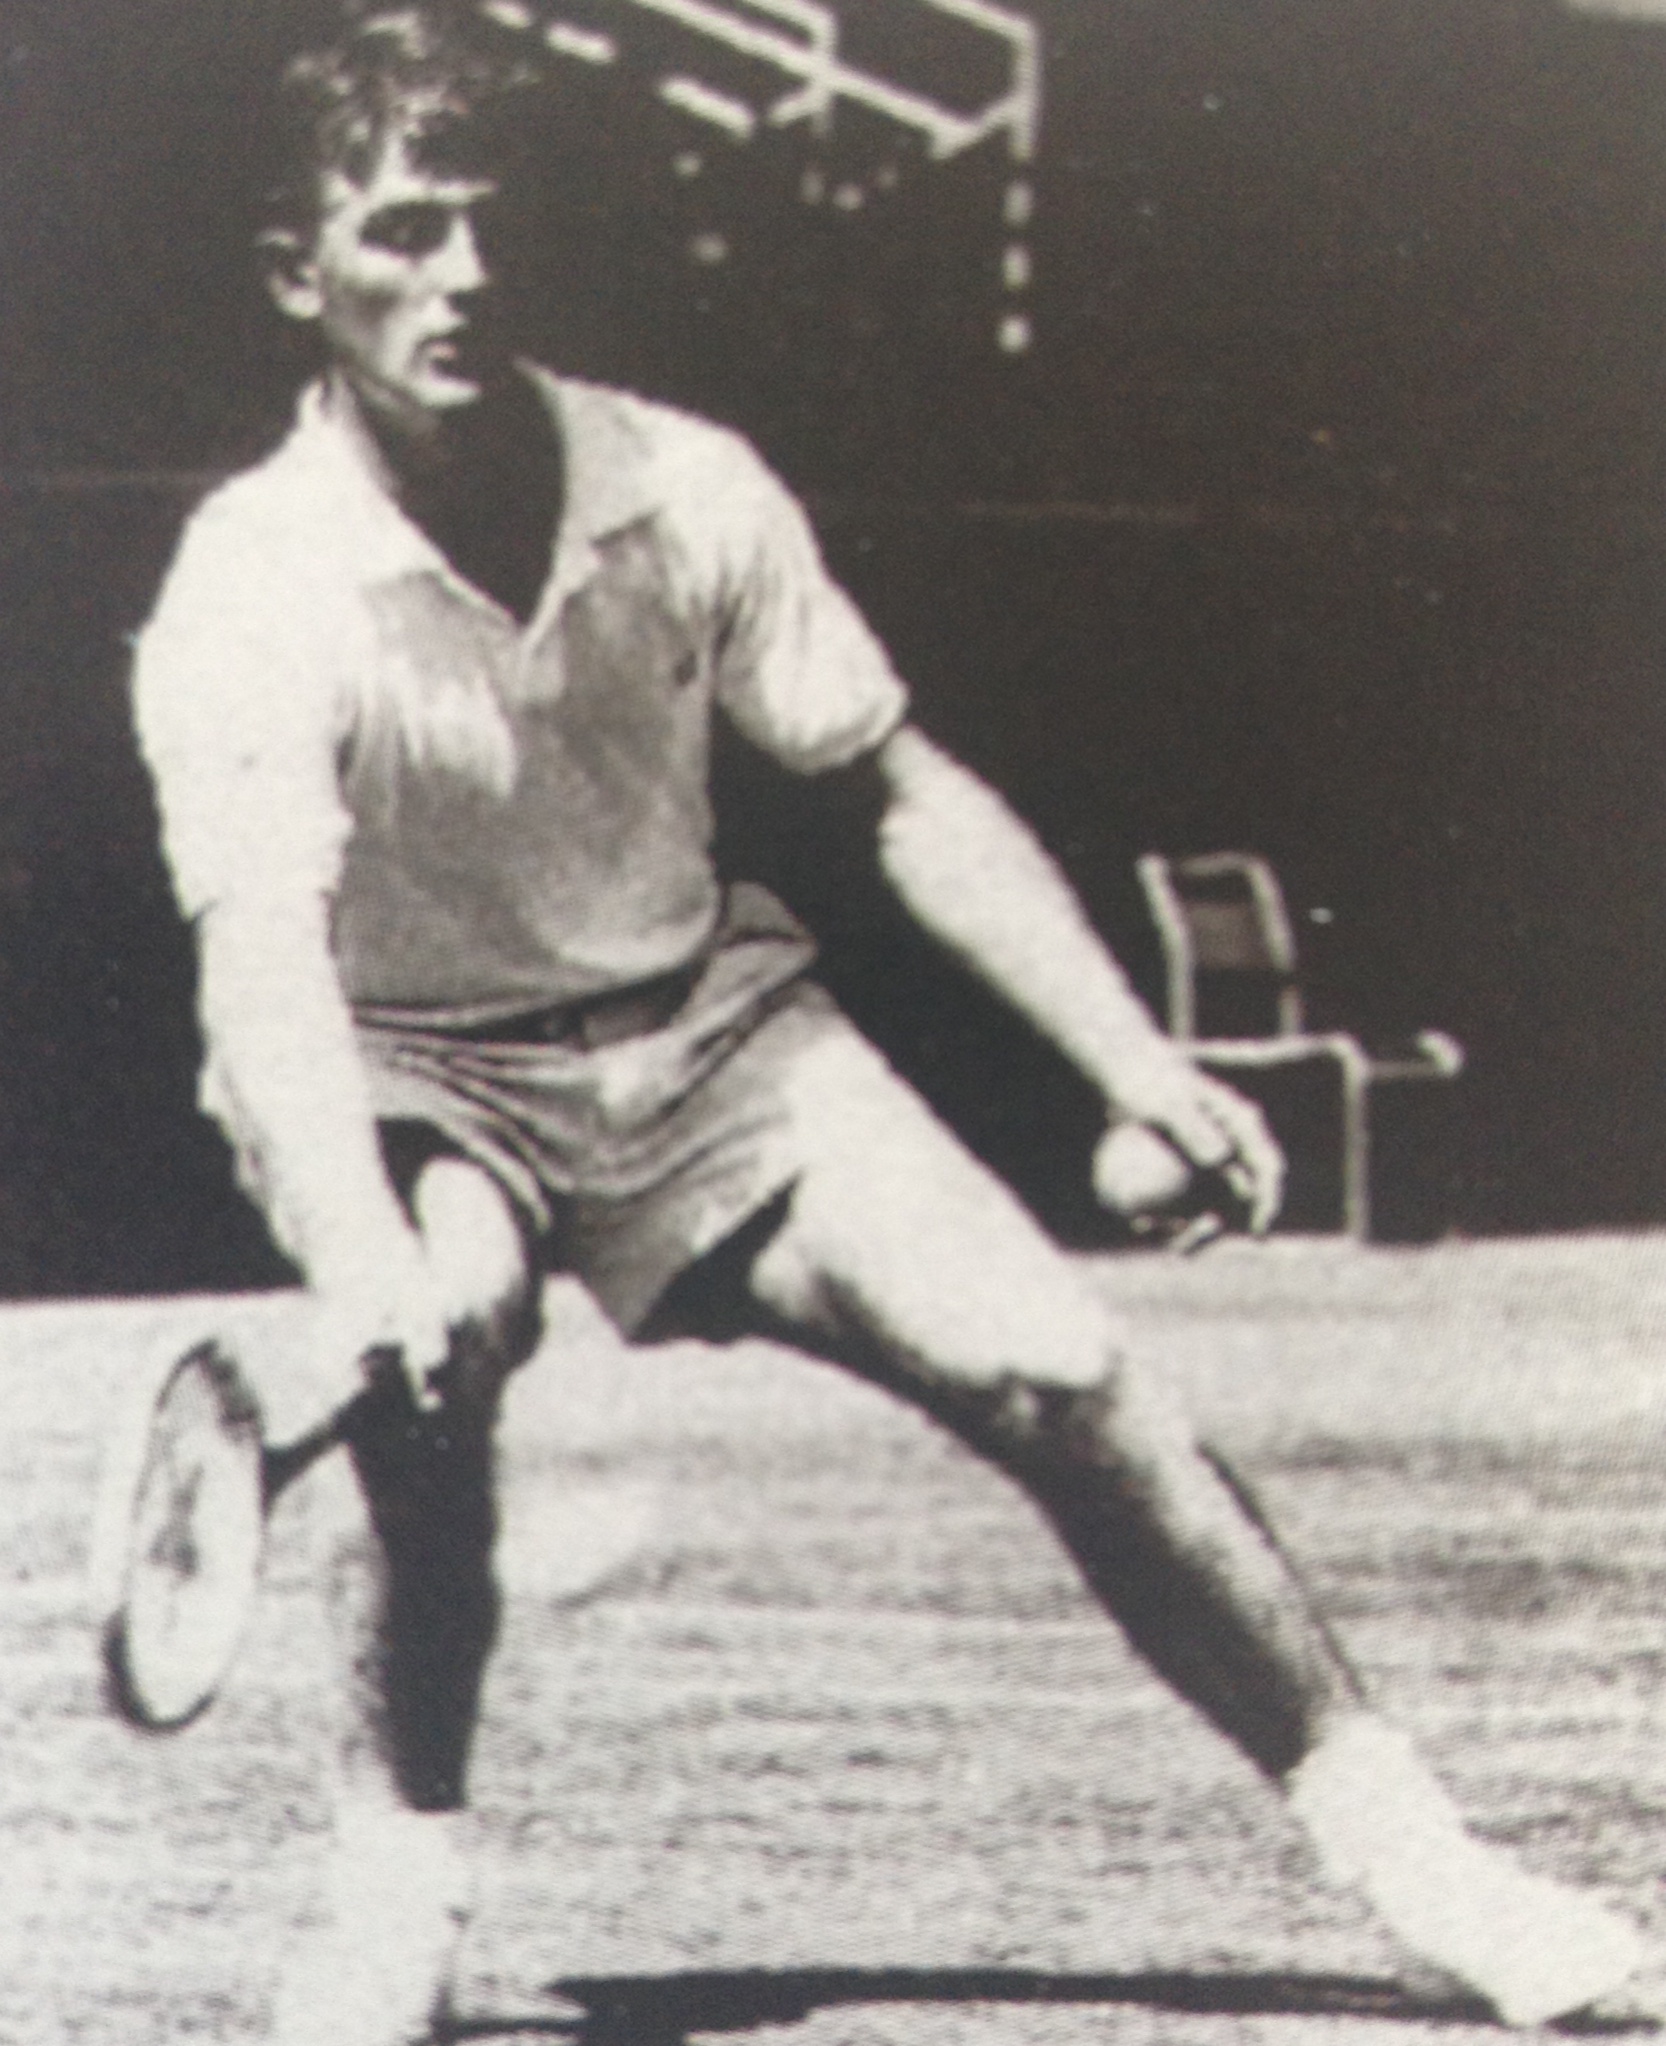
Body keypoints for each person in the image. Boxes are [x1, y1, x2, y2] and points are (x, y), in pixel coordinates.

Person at [131, 6, 1645, 2039]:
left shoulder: (689, 485)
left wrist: (1135, 1060)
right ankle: (391, 1895)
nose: (463, 276)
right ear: (294, 273)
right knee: (438, 1357)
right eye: (404, 231)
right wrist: (357, 1240)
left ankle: (1424, 1867)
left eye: (495, 225)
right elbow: (263, 959)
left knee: (1066, 1370)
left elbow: (893, 795)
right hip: (408, 1061)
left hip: (708, 1037)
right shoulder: (249, 584)